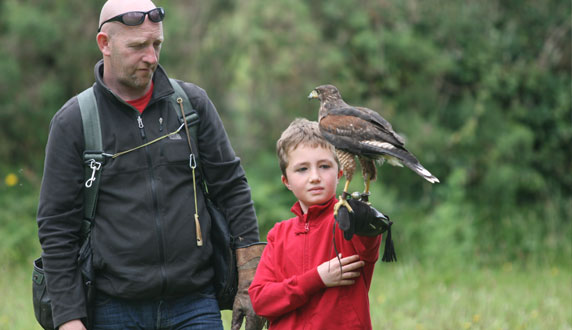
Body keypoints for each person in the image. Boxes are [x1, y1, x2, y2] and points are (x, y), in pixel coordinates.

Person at [36, 1, 265, 329]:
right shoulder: (74, 121)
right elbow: (56, 225)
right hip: (113, 308)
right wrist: (69, 318)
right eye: (138, 46)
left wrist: (249, 275)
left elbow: (231, 187)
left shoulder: (191, 106)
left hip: (195, 303)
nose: (152, 58)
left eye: (156, 44)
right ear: (105, 44)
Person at [248, 118, 384, 329]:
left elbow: (367, 243)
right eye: (302, 169)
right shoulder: (279, 235)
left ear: (340, 174)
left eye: (324, 166)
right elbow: (261, 301)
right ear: (286, 181)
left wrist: (366, 222)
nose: (314, 177)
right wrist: (317, 278)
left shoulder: (348, 222)